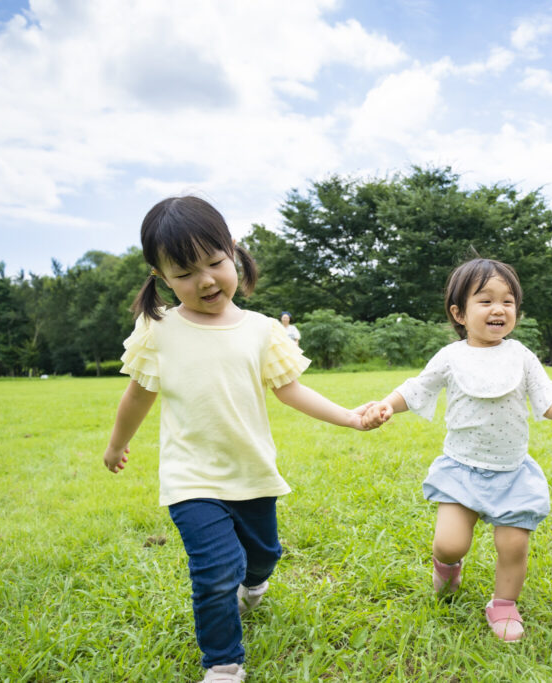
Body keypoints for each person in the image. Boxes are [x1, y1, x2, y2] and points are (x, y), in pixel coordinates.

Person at [102, 196, 381, 683]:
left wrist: (350, 418)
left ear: (233, 253)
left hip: (252, 472)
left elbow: (291, 391)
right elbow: (137, 396)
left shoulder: (261, 330)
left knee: (263, 554)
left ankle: (255, 583)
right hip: (191, 478)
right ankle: (223, 663)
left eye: (214, 263)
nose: (206, 280)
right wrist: (116, 444)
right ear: (160, 277)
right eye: (185, 273)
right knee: (215, 571)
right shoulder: (158, 331)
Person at [361, 258, 552, 642]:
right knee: (450, 544)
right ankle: (447, 570)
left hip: (512, 472)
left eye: (508, 301)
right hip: (461, 469)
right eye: (485, 301)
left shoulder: (521, 356)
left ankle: (504, 604)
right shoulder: (452, 357)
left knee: (513, 545)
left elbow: (548, 402)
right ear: (459, 313)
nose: (499, 309)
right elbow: (418, 388)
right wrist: (387, 404)